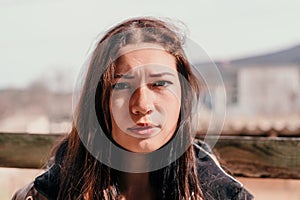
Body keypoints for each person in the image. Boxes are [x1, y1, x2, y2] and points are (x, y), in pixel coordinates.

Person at [12, 17, 253, 200]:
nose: (142, 105)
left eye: (160, 84)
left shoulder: (220, 193)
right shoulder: (46, 194)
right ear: (99, 101)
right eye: (122, 85)